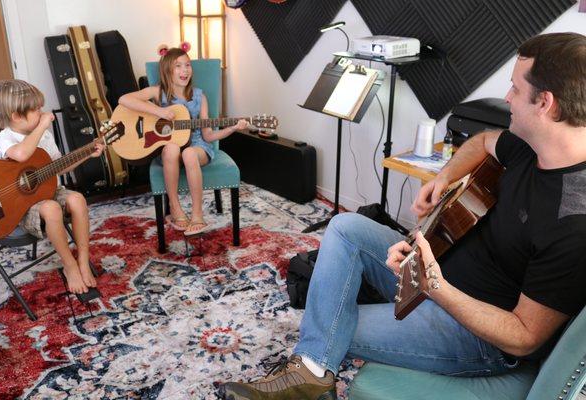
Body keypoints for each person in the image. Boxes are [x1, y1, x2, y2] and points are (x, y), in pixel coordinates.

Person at [221, 32, 586, 400]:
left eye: (515, 90)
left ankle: (314, 372)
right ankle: (315, 374)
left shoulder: (574, 221)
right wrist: (443, 179)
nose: (507, 98)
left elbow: (523, 338)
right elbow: (480, 142)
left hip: (476, 334)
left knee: (328, 326)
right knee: (344, 226)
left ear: (546, 103)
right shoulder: (528, 146)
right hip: (438, 266)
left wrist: (435, 287)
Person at [118, 43, 247, 236]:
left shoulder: (199, 96)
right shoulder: (158, 92)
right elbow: (124, 100)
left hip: (197, 146)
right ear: (167, 70)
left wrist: (232, 128)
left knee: (188, 153)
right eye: (178, 66)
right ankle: (175, 207)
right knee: (171, 148)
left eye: (187, 65)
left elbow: (209, 135)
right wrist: (159, 111)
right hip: (170, 148)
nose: (184, 70)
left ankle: (197, 215)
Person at [0, 79, 105, 294]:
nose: (42, 113)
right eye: (36, 110)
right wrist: (43, 124)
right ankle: (69, 266)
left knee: (77, 200)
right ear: (16, 116)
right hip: (19, 207)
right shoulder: (4, 137)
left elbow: (58, 167)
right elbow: (22, 154)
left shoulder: (44, 135)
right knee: (52, 209)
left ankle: (82, 259)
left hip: (49, 191)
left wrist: (87, 152)